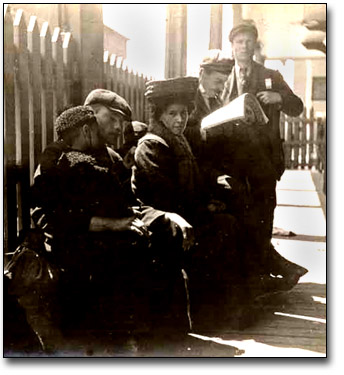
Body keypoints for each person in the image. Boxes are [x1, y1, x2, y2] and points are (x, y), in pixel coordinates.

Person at [131, 77, 251, 328]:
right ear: (159, 115)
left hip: (185, 214)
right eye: (172, 113)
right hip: (162, 222)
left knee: (231, 221)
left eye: (184, 113)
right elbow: (165, 197)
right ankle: (211, 314)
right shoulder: (152, 145)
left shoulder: (179, 139)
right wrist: (204, 208)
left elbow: (193, 179)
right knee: (223, 228)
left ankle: (225, 311)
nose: (179, 119)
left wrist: (211, 197)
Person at [218, 20, 307, 284]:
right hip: (231, 161)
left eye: (248, 42)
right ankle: (246, 273)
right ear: (232, 47)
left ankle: (260, 273)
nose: (244, 47)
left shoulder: (271, 76)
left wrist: (278, 98)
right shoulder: (223, 77)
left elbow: (297, 106)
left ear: (254, 46)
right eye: (239, 42)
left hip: (263, 161)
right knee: (237, 213)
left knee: (263, 215)